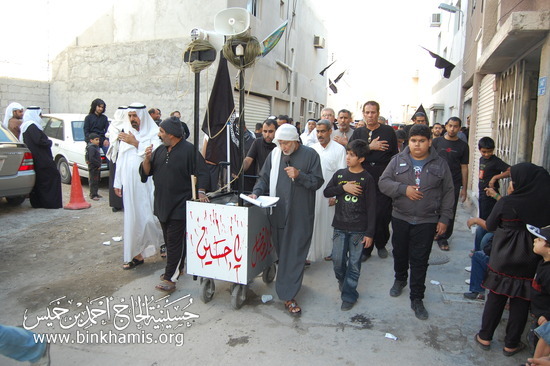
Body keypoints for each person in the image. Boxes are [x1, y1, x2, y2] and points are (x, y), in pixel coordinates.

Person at [379, 124, 454, 320]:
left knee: (420, 260)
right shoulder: (397, 161)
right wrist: (404, 189)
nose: (417, 145)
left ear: (429, 142)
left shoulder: (440, 164)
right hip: (401, 217)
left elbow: (448, 192)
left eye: (422, 141)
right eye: (414, 141)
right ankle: (400, 279)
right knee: (400, 253)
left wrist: (444, 219)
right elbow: (383, 183)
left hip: (427, 220)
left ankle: (417, 297)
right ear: (408, 142)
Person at [474, 163, 550, 357]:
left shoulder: (507, 202)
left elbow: (490, 225)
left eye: (513, 181)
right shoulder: (544, 204)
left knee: (496, 297)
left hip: (502, 257)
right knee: (520, 302)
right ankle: (511, 344)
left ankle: (485, 336)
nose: (510, 185)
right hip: (529, 259)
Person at [249, 123, 323, 315]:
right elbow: (263, 178)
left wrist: (300, 175)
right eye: (280, 143)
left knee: (295, 255)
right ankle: (287, 285)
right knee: (283, 253)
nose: (284, 147)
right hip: (278, 213)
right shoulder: (274, 155)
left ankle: (288, 295)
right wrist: (256, 193)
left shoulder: (310, 155)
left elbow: (317, 182)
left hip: (300, 214)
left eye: (287, 143)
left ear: (296, 141)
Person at [140, 117, 210, 292]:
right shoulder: (159, 151)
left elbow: (203, 172)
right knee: (172, 241)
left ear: (171, 134)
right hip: (162, 204)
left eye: (162, 132)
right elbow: (145, 174)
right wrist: (147, 159)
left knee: (174, 242)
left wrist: (201, 191)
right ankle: (177, 268)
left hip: (181, 204)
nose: (159, 134)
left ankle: (170, 277)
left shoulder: (189, 151)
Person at [323, 139, 376, 311]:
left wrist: (369, 233)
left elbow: (372, 208)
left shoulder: (367, 179)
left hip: (358, 230)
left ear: (361, 159)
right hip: (339, 226)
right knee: (337, 261)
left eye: (352, 155)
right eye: (347, 153)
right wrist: (343, 188)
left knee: (354, 264)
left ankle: (349, 295)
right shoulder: (340, 175)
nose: (348, 157)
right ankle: (343, 281)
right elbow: (326, 192)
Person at [114, 103, 164, 270]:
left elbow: (156, 157)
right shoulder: (126, 134)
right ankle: (135, 254)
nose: (132, 119)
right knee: (133, 219)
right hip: (130, 186)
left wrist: (136, 143)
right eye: (130, 116)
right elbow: (121, 160)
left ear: (142, 116)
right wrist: (117, 182)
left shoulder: (153, 135)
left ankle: (163, 243)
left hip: (148, 184)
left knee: (151, 217)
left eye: (135, 116)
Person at [349, 101, 398, 260]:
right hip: (363, 174)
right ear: (363, 114)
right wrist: (371, 147)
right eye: (367, 112)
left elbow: (394, 156)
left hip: (383, 174)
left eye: (373, 112)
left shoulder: (388, 131)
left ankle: (381, 244)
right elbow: (353, 153)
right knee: (364, 212)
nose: (370, 115)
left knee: (382, 212)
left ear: (378, 113)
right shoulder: (358, 133)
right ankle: (365, 249)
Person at [307, 119, 346, 263]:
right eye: (317, 131)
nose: (320, 134)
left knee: (329, 222)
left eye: (323, 131)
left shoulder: (339, 149)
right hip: (313, 193)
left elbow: (341, 174)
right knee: (313, 221)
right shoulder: (312, 149)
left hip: (330, 193)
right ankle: (310, 253)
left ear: (330, 131)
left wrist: (336, 194)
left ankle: (329, 251)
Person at [431, 117, 469, 251]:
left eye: (456, 126)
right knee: (434, 208)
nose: (452, 129)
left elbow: (464, 167)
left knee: (449, 210)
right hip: (435, 182)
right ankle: (434, 232)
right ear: (445, 126)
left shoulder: (463, 146)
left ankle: (443, 237)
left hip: (453, 183)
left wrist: (464, 188)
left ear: (459, 128)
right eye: (450, 126)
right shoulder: (436, 142)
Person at [20, 107, 63, 209]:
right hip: (41, 158)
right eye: (39, 115)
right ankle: (50, 203)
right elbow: (39, 141)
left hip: (38, 158)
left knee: (41, 180)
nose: (40, 117)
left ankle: (41, 202)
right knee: (52, 176)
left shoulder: (29, 126)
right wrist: (49, 142)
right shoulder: (31, 126)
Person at [474, 136, 510, 250]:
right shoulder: (481, 159)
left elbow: (510, 170)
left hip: (490, 196)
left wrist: (495, 177)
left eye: (489, 151)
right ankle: (479, 247)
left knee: (485, 223)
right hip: (482, 194)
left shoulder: (495, 161)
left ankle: (481, 250)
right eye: (484, 152)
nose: (486, 154)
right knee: (482, 221)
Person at [527, 224, 550, 359]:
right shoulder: (542, 262)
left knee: (538, 346)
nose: (535, 240)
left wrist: (546, 315)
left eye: (540, 240)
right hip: (537, 314)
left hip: (544, 319)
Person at [105, 106, 127, 212]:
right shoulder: (113, 125)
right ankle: (116, 204)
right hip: (116, 154)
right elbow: (110, 136)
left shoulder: (128, 125)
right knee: (115, 178)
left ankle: (126, 202)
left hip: (126, 154)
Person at [86, 132, 102, 201]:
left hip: (96, 167)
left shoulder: (95, 147)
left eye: (98, 140)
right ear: (91, 140)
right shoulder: (91, 148)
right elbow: (91, 158)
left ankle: (95, 193)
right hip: (93, 167)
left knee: (96, 180)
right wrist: (98, 164)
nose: (98, 141)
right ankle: (93, 194)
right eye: (96, 140)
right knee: (93, 181)